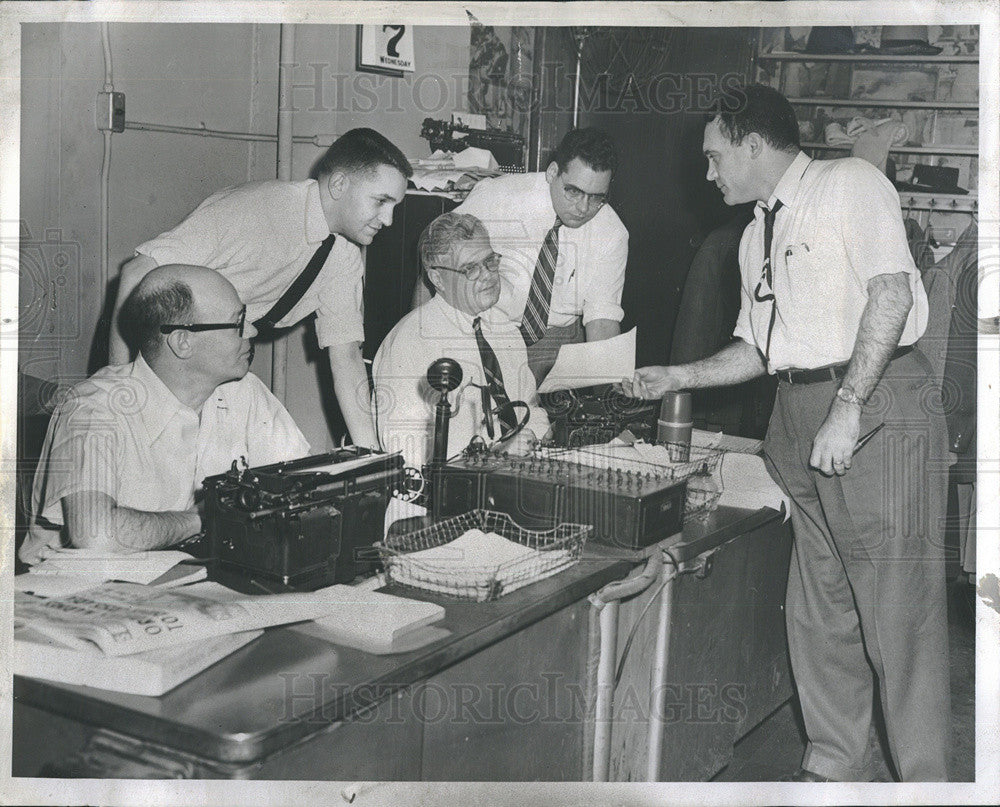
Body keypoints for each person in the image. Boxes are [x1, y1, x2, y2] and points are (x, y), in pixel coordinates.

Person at [622, 84, 949, 782]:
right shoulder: (753, 235)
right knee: (820, 606)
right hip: (800, 414)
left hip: (873, 404)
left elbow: (890, 293)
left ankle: (926, 783)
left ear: (752, 144)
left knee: (899, 612)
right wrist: (672, 374)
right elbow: (758, 349)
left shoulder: (848, 184)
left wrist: (850, 403)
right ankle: (835, 763)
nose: (708, 174)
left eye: (715, 157)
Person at [109, 128, 412, 449]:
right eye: (381, 201)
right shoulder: (257, 208)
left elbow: (347, 358)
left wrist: (373, 457)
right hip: (167, 368)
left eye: (394, 206)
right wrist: (119, 394)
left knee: (287, 455)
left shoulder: (345, 255)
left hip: (222, 370)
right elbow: (135, 274)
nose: (389, 220)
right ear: (339, 185)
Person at [22, 265, 310, 565]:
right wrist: (203, 518)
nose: (251, 331)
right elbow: (95, 535)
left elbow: (302, 487)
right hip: (85, 592)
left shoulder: (245, 391)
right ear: (182, 342)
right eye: (237, 323)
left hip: (194, 581)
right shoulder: (94, 408)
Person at [416, 127, 628, 385]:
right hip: (492, 330)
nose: (583, 208)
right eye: (573, 191)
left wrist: (611, 386)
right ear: (552, 173)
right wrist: (420, 340)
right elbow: (437, 262)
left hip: (557, 341)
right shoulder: (498, 197)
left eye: (597, 198)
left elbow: (602, 320)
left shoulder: (612, 232)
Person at [374, 212, 548, 467]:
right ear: (436, 279)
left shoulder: (506, 331)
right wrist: (494, 453)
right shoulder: (410, 342)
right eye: (470, 269)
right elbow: (405, 451)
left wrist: (540, 435)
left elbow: (528, 410)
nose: (488, 275)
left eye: (490, 261)